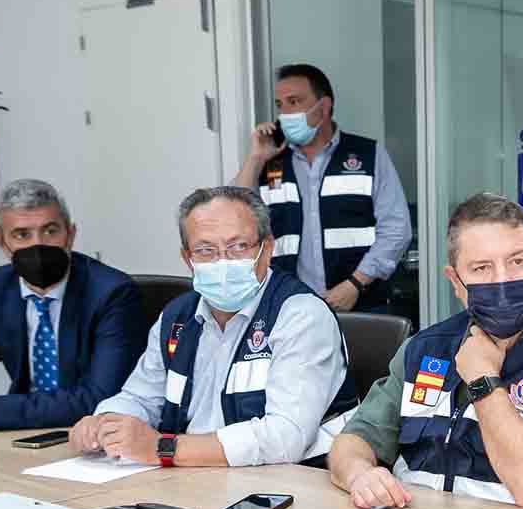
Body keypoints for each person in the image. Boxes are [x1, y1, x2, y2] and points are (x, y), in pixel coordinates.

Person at [329, 192, 523, 509]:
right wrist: (361, 474)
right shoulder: (426, 349)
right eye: (482, 268)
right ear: (455, 282)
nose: (502, 281)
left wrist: (483, 379)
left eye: (517, 262)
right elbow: (353, 440)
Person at [70, 186, 355, 467]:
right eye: (206, 250)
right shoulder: (176, 317)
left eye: (238, 247)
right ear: (188, 259)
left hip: (289, 483)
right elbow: (140, 398)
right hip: (190, 474)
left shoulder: (300, 314)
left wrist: (163, 448)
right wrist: (104, 422)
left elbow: (284, 439)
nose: (223, 262)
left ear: (267, 249)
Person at [0, 179, 146, 434]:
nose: (38, 244)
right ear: (1, 243)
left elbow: (100, 397)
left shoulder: (111, 292)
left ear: (71, 234)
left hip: (88, 434)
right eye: (22, 235)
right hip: (20, 432)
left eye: (50, 230)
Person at [232, 63, 411, 314]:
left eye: (294, 102)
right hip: (289, 306)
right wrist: (255, 157)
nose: (285, 113)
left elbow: (396, 229)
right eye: (280, 105)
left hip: (363, 303)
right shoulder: (269, 162)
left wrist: (355, 284)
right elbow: (234, 219)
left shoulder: (367, 154)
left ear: (324, 107)